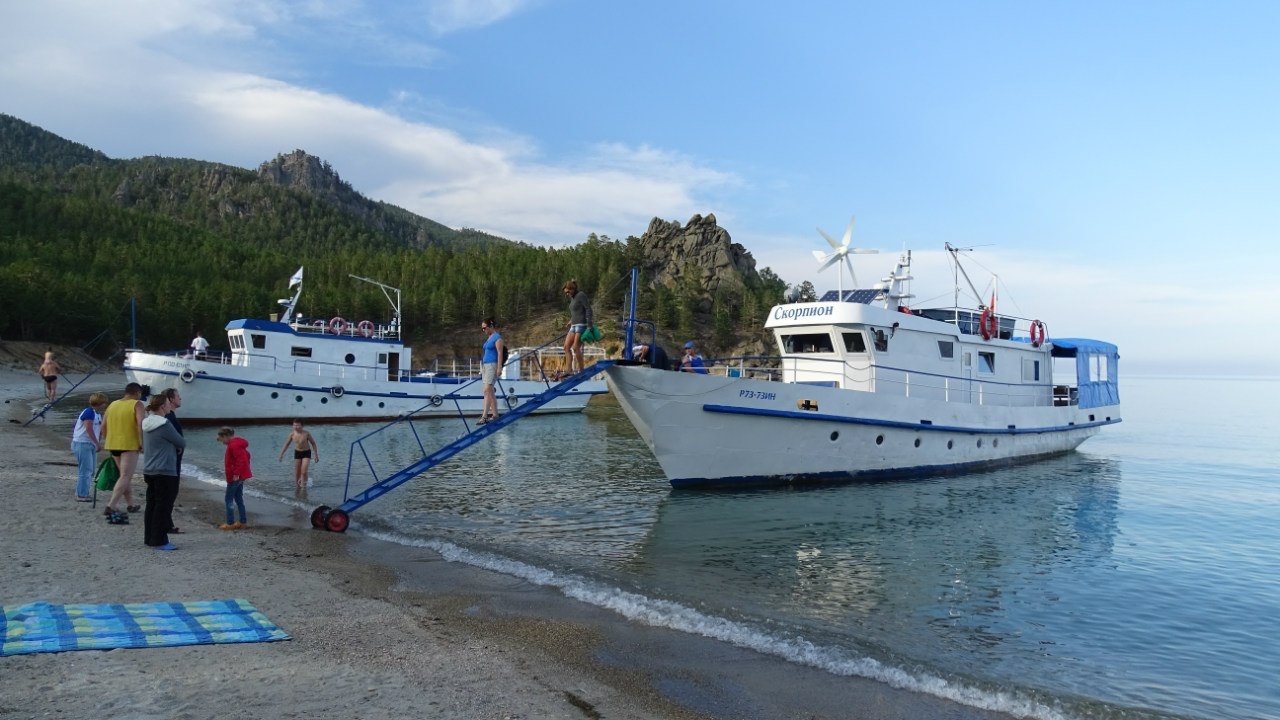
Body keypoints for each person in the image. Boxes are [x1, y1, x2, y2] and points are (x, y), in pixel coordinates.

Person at [141, 394, 185, 551]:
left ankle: (150, 537)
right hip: (165, 469)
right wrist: (177, 446)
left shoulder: (146, 422)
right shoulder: (164, 423)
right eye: (167, 404)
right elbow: (180, 441)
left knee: (152, 504)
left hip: (149, 468)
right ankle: (159, 540)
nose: (169, 406)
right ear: (162, 407)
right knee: (163, 506)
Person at [100, 382, 146, 516]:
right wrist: (142, 442)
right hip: (129, 444)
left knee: (123, 476)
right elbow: (140, 424)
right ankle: (111, 505)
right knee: (126, 476)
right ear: (137, 393)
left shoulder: (113, 404)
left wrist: (107, 438)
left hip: (113, 443)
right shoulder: (137, 404)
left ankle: (130, 504)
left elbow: (103, 425)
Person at [70, 392, 107, 501]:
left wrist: (99, 440)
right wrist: (96, 443)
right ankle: (81, 494)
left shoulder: (97, 414)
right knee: (85, 470)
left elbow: (98, 430)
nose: (105, 405)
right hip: (82, 443)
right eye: (104, 403)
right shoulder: (89, 412)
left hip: (89, 444)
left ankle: (84, 492)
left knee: (90, 470)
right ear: (99, 403)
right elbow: (88, 428)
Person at [217, 426, 251, 530]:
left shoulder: (234, 445)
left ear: (226, 436)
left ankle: (230, 523)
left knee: (229, 499)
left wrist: (236, 473)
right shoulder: (237, 444)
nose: (222, 442)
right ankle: (243, 522)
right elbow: (247, 456)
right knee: (238, 498)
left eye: (222, 439)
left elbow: (241, 460)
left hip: (235, 477)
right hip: (240, 476)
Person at [161, 388, 185, 534]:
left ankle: (167, 522)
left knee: (169, 494)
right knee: (169, 493)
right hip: (171, 463)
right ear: (170, 399)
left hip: (173, 461)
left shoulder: (170, 417)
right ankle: (166, 524)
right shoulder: (169, 418)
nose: (180, 398)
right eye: (178, 396)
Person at [562, 279, 592, 375]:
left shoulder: (581, 295)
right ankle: (569, 370)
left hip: (581, 325)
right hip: (574, 325)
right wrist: (571, 320)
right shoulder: (573, 297)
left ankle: (582, 370)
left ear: (572, 289)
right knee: (566, 347)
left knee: (575, 347)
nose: (567, 294)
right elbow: (577, 311)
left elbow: (588, 309)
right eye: (565, 293)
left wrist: (589, 324)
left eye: (568, 292)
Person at [278, 419, 319, 488]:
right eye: (294, 425)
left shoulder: (306, 433)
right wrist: (281, 454)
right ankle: (297, 487)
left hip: (306, 452)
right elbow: (286, 444)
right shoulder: (292, 434)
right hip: (297, 453)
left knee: (304, 471)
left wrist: (316, 455)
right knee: (297, 472)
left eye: (297, 425)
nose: (295, 427)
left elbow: (313, 444)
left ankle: (303, 487)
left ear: (302, 426)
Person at [478, 317, 504, 424]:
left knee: (487, 390)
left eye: (484, 328)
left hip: (492, 365)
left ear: (491, 326)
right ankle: (495, 414)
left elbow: (499, 353)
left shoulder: (498, 338)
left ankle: (484, 416)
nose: (483, 330)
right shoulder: (489, 338)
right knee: (490, 390)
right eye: (482, 329)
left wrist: (499, 367)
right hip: (485, 365)